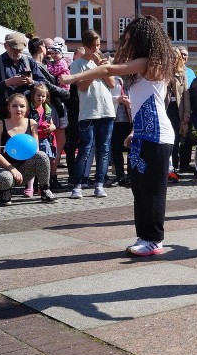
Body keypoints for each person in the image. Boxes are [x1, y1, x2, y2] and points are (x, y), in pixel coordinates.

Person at [60, 16, 176, 256]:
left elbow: (110, 69)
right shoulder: (139, 67)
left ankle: (155, 238)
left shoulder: (150, 63)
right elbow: (145, 101)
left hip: (158, 136)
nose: (126, 44)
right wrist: (134, 130)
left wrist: (73, 77)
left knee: (153, 190)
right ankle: (144, 235)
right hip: (144, 134)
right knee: (139, 189)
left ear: (144, 41)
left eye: (130, 40)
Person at [69, 30, 115, 199]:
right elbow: (81, 86)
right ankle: (78, 184)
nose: (97, 48)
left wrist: (103, 67)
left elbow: (111, 84)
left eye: (98, 45)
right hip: (88, 111)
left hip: (106, 110)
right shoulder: (77, 64)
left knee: (103, 150)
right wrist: (97, 70)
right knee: (85, 149)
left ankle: (99, 184)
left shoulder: (103, 62)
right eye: (94, 45)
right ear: (86, 46)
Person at [0, 94, 57, 205]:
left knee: (42, 155)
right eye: (14, 106)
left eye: (22, 106)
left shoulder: (32, 123)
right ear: (9, 107)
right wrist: (12, 168)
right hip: (4, 167)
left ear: (27, 108)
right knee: (5, 180)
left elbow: (35, 151)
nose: (18, 109)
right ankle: (4, 191)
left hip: (24, 167)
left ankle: (45, 189)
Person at [0, 32, 48, 120]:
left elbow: (43, 82)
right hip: (5, 112)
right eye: (14, 50)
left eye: (20, 50)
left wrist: (31, 82)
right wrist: (7, 83)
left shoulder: (29, 61)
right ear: (6, 46)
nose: (17, 53)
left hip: (27, 111)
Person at [42, 40, 72, 189]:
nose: (53, 55)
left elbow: (58, 77)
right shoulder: (49, 64)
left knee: (59, 142)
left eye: (55, 52)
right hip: (52, 100)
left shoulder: (62, 64)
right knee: (52, 142)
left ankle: (51, 174)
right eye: (51, 52)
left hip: (60, 96)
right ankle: (48, 175)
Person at [23, 84, 56, 197]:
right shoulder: (28, 109)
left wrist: (52, 128)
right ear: (33, 95)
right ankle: (30, 187)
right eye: (38, 95)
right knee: (31, 162)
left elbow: (52, 124)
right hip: (31, 138)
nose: (40, 98)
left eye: (43, 96)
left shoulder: (47, 109)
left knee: (45, 163)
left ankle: (43, 186)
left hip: (45, 139)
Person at [166, 47, 190, 183]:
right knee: (167, 139)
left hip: (177, 109)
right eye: (171, 57)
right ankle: (167, 169)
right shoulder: (162, 72)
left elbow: (186, 94)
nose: (173, 60)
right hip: (165, 108)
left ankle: (173, 169)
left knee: (175, 139)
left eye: (175, 57)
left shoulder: (182, 73)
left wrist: (186, 113)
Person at [109, 74, 132, 187]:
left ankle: (131, 175)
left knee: (131, 149)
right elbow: (105, 96)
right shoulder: (112, 78)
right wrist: (118, 99)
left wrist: (130, 102)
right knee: (116, 149)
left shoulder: (134, 78)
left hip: (131, 119)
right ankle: (120, 176)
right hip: (116, 118)